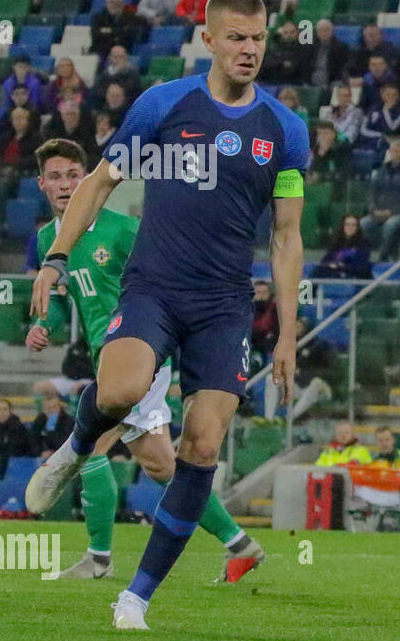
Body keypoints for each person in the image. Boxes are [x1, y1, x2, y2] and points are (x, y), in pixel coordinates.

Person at [26, 0, 304, 629]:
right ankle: (74, 447)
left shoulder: (284, 129)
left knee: (200, 447)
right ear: (208, 40)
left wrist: (287, 333)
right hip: (154, 285)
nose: (250, 49)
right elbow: (99, 182)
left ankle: (136, 598)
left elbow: (285, 236)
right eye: (236, 37)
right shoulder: (163, 104)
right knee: (119, 390)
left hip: (226, 305)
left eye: (258, 38)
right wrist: (57, 258)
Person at [25, 139, 263, 582]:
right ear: (41, 184)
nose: (64, 185)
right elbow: (59, 300)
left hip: (140, 353)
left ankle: (98, 560)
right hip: (105, 359)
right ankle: (240, 545)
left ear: (89, 179)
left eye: (73, 175)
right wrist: (44, 324)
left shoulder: (123, 230)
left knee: (93, 441)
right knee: (161, 465)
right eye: (55, 177)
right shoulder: (48, 240)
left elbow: (169, 277)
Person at [312, 214, 372, 280]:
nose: (350, 227)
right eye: (347, 224)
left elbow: (360, 267)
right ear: (343, 226)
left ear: (357, 228)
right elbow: (324, 260)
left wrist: (340, 266)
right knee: (317, 271)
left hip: (351, 275)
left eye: (353, 225)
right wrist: (331, 264)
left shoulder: (363, 244)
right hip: (334, 272)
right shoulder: (337, 243)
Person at [29, 389, 75, 457]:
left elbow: (67, 443)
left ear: (59, 407)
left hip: (63, 456)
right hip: (43, 456)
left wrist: (51, 431)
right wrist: (40, 452)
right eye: (47, 408)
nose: (51, 411)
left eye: (54, 407)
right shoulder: (40, 419)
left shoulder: (69, 421)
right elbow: (33, 440)